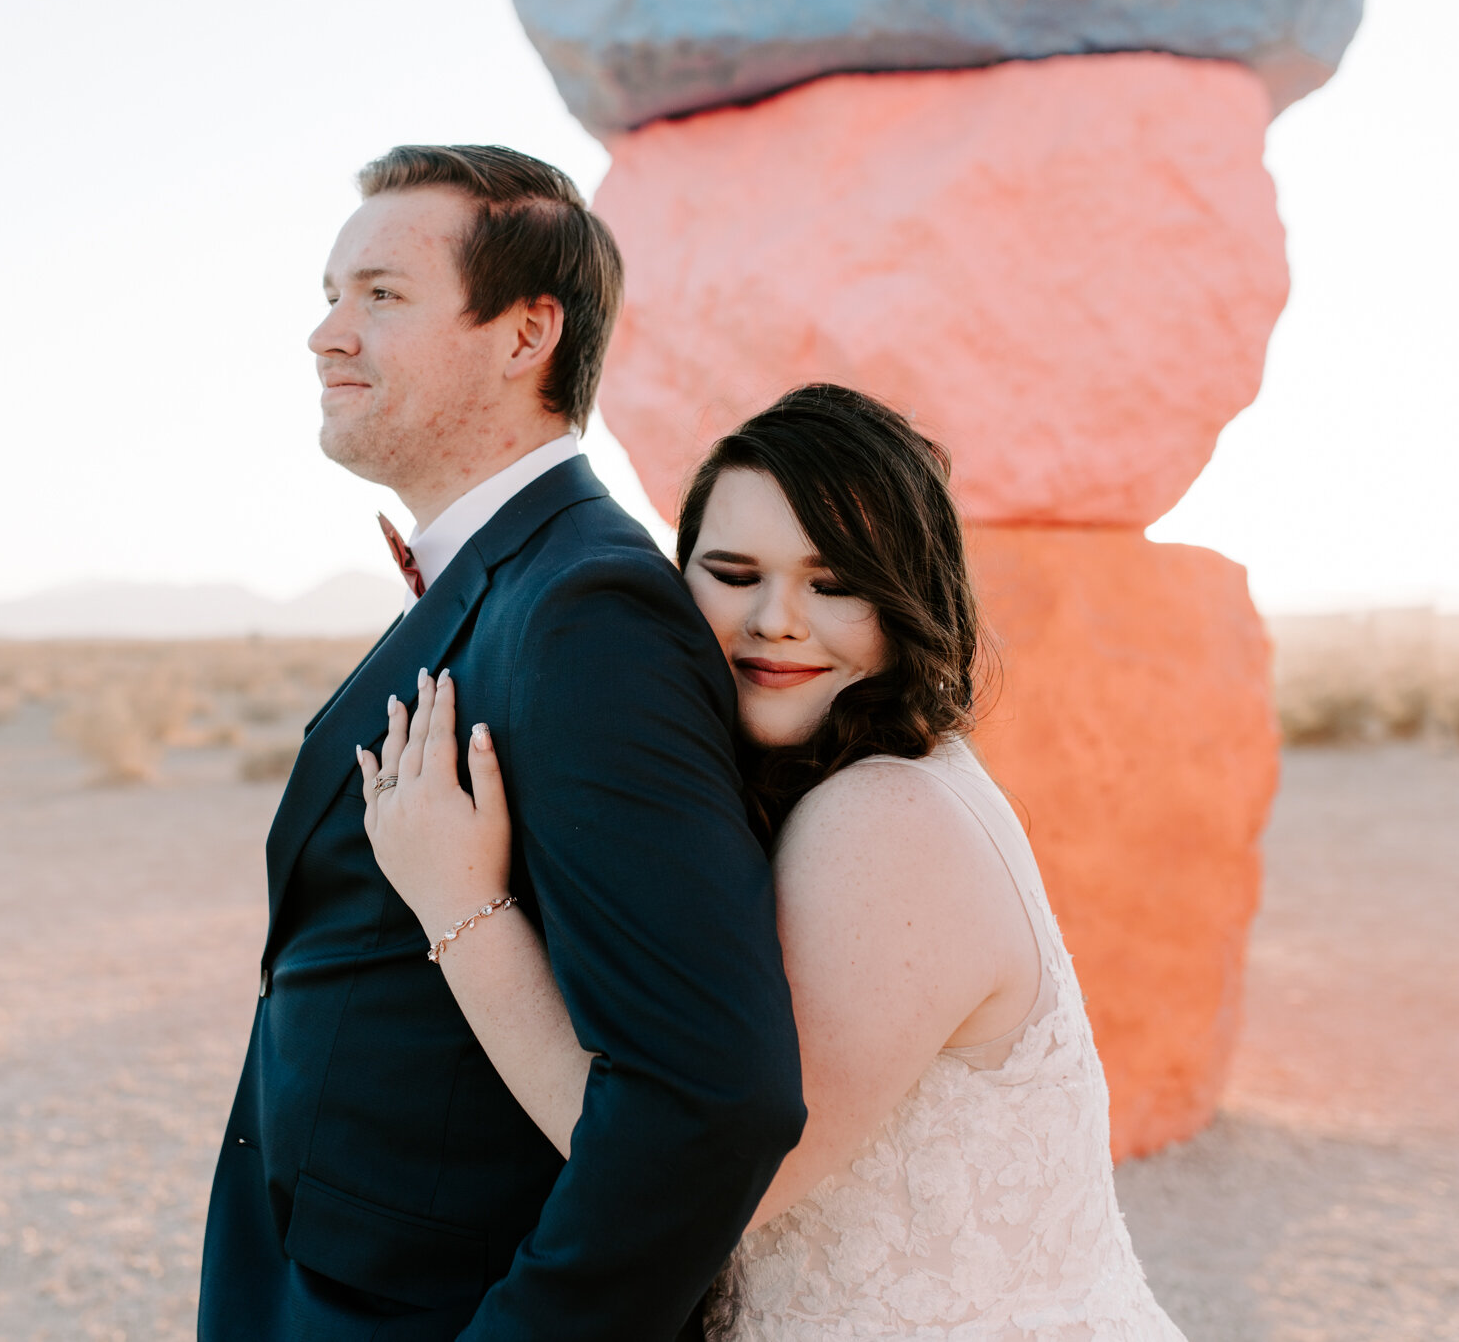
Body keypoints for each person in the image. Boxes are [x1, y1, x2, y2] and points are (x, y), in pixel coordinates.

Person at [360, 384, 1191, 1340]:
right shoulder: (831, 783)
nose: (776, 621)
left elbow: (693, 1179)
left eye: (833, 584)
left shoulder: (888, 816)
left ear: (909, 601)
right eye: (733, 572)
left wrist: (460, 906)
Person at [196, 145, 806, 1341]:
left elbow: (710, 1097)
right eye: (330, 295)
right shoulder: (501, 579)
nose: (327, 334)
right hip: (317, 1271)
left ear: (526, 335)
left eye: (380, 295)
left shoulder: (587, 611)